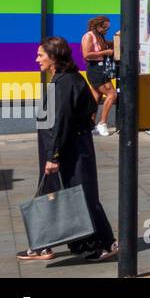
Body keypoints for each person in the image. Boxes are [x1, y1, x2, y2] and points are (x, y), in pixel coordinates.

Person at [18, 37, 117, 262]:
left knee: (78, 195)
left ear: (54, 57)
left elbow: (60, 121)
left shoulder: (64, 83)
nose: (36, 59)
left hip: (68, 151)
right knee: (64, 194)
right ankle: (46, 245)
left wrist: (54, 156)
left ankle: (102, 243)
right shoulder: (66, 79)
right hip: (68, 148)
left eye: (41, 55)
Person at [81, 17, 118, 137]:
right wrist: (105, 53)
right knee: (112, 94)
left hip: (100, 68)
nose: (106, 30)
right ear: (97, 26)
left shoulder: (100, 36)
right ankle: (102, 123)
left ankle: (89, 125)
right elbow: (87, 55)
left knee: (96, 97)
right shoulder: (89, 36)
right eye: (104, 27)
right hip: (95, 69)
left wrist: (117, 39)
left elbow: (106, 44)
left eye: (108, 28)